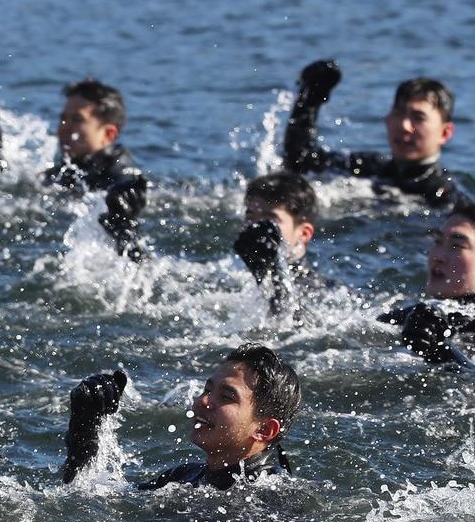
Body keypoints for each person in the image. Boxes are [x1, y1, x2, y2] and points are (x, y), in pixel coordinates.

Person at [63, 344, 301, 490]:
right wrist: (86, 424)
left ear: (264, 430)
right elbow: (87, 500)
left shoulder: (275, 500)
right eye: (207, 390)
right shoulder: (181, 478)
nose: (202, 401)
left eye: (227, 397)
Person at [0, 80, 148, 259]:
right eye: (63, 119)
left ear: (108, 134)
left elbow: (129, 190)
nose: (63, 128)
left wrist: (123, 218)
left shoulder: (121, 174)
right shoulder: (67, 169)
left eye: (77, 120)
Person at [283, 59, 470, 210]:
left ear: (445, 132)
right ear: (386, 120)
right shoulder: (367, 168)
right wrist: (310, 102)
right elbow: (301, 161)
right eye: (398, 113)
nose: (404, 126)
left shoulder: (446, 197)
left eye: (418, 118)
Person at [385, 203, 475, 369]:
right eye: (438, 241)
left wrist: (438, 352)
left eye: (457, 246)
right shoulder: (420, 314)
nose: (437, 256)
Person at [232, 172, 327, 316]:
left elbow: (283, 321)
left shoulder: (315, 290)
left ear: (304, 234)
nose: (256, 226)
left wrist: (276, 268)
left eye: (270, 220)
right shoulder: (233, 277)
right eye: (250, 217)